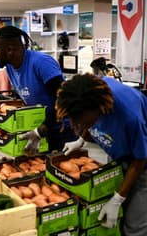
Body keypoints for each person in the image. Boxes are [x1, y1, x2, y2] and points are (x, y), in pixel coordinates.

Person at [55, 73, 147, 235]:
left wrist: (118, 199)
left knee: (134, 225)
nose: (83, 125)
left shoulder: (130, 116)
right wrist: (81, 140)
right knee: (119, 215)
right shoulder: (89, 92)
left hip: (142, 163)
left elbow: (140, 159)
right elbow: (86, 120)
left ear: (99, 108)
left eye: (87, 123)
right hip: (121, 155)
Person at [0, 25, 77, 154]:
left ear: (10, 50)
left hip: (62, 130)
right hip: (40, 128)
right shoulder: (9, 68)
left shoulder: (41, 63)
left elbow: (65, 98)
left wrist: (43, 128)